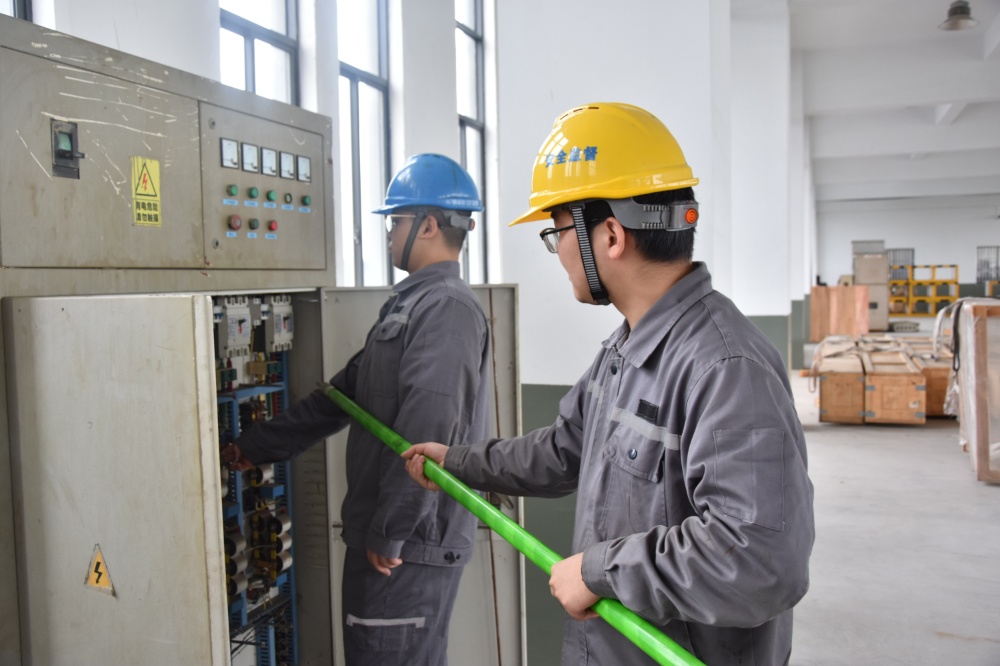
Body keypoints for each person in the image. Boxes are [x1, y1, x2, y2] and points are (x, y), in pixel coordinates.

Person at [403, 103, 816, 665]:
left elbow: (759, 559)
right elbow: (561, 450)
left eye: (556, 233)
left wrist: (600, 571)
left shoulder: (725, 369)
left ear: (612, 236)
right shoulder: (624, 351)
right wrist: (457, 462)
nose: (557, 252)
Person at [222, 153, 492, 665]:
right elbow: (340, 398)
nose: (389, 234)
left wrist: (392, 529)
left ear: (429, 226)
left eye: (397, 221)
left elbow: (429, 427)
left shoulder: (446, 308)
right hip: (388, 537)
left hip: (405, 546)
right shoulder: (408, 305)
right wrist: (255, 446)